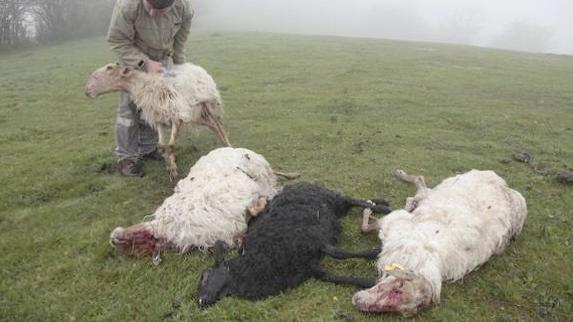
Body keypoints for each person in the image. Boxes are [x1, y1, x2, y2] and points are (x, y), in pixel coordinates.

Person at [107, 0, 193, 177]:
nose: (154, 14)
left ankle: (148, 148)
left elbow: (180, 39)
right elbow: (117, 40)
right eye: (150, 8)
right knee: (128, 113)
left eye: (161, 11)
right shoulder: (127, 6)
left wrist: (180, 66)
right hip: (133, 61)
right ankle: (126, 158)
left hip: (161, 60)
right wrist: (143, 62)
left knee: (155, 108)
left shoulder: (184, 8)